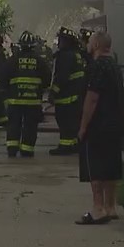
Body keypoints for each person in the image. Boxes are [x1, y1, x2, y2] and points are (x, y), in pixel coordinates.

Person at [76, 31, 124, 225]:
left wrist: (83, 126)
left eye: (89, 41)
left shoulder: (96, 67)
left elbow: (92, 98)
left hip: (98, 125)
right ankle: (111, 206)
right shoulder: (114, 66)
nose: (87, 44)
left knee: (95, 167)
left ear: (96, 44)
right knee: (111, 165)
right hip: (115, 124)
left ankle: (98, 209)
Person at [5, 31, 52, 158]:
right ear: (33, 45)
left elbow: (4, 77)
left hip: (15, 101)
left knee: (14, 124)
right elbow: (47, 79)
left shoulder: (13, 60)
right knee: (30, 126)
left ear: (21, 45)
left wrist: (8, 92)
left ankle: (12, 149)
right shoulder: (39, 61)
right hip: (33, 101)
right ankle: (27, 150)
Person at [49, 27, 88, 156]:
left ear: (67, 41)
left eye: (61, 39)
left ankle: (65, 147)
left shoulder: (65, 56)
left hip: (67, 98)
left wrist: (53, 93)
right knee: (73, 124)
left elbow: (61, 77)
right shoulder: (77, 55)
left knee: (65, 123)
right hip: (76, 97)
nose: (59, 42)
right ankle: (73, 145)